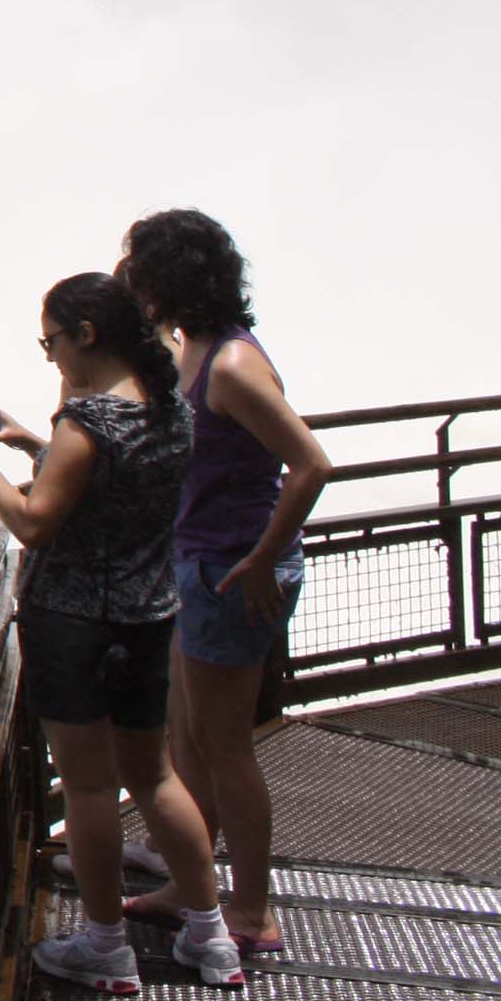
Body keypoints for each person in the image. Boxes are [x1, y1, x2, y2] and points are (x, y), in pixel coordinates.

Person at [0, 271, 243, 994]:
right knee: (156, 776)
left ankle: (107, 947)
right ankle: (212, 936)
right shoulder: (170, 408)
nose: (50, 354)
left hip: (72, 623)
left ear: (86, 335)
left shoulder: (85, 425)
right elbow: (107, 483)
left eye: (51, 341)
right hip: (148, 615)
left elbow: (35, 523)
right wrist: (33, 441)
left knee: (88, 788)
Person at [117, 208, 332, 955]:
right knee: (187, 734)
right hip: (199, 563)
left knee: (224, 745)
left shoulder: (232, 367)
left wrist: (264, 558)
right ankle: (194, 881)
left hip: (231, 572)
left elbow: (312, 464)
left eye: (140, 270)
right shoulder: (194, 348)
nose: (132, 281)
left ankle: (252, 911)